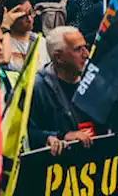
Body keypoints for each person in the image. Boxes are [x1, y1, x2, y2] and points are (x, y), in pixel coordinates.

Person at [27, 26, 95, 156]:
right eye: (77, 49)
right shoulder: (38, 88)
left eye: (85, 47)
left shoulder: (94, 79)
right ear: (58, 57)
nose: (86, 54)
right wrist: (57, 136)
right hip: (61, 168)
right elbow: (27, 132)